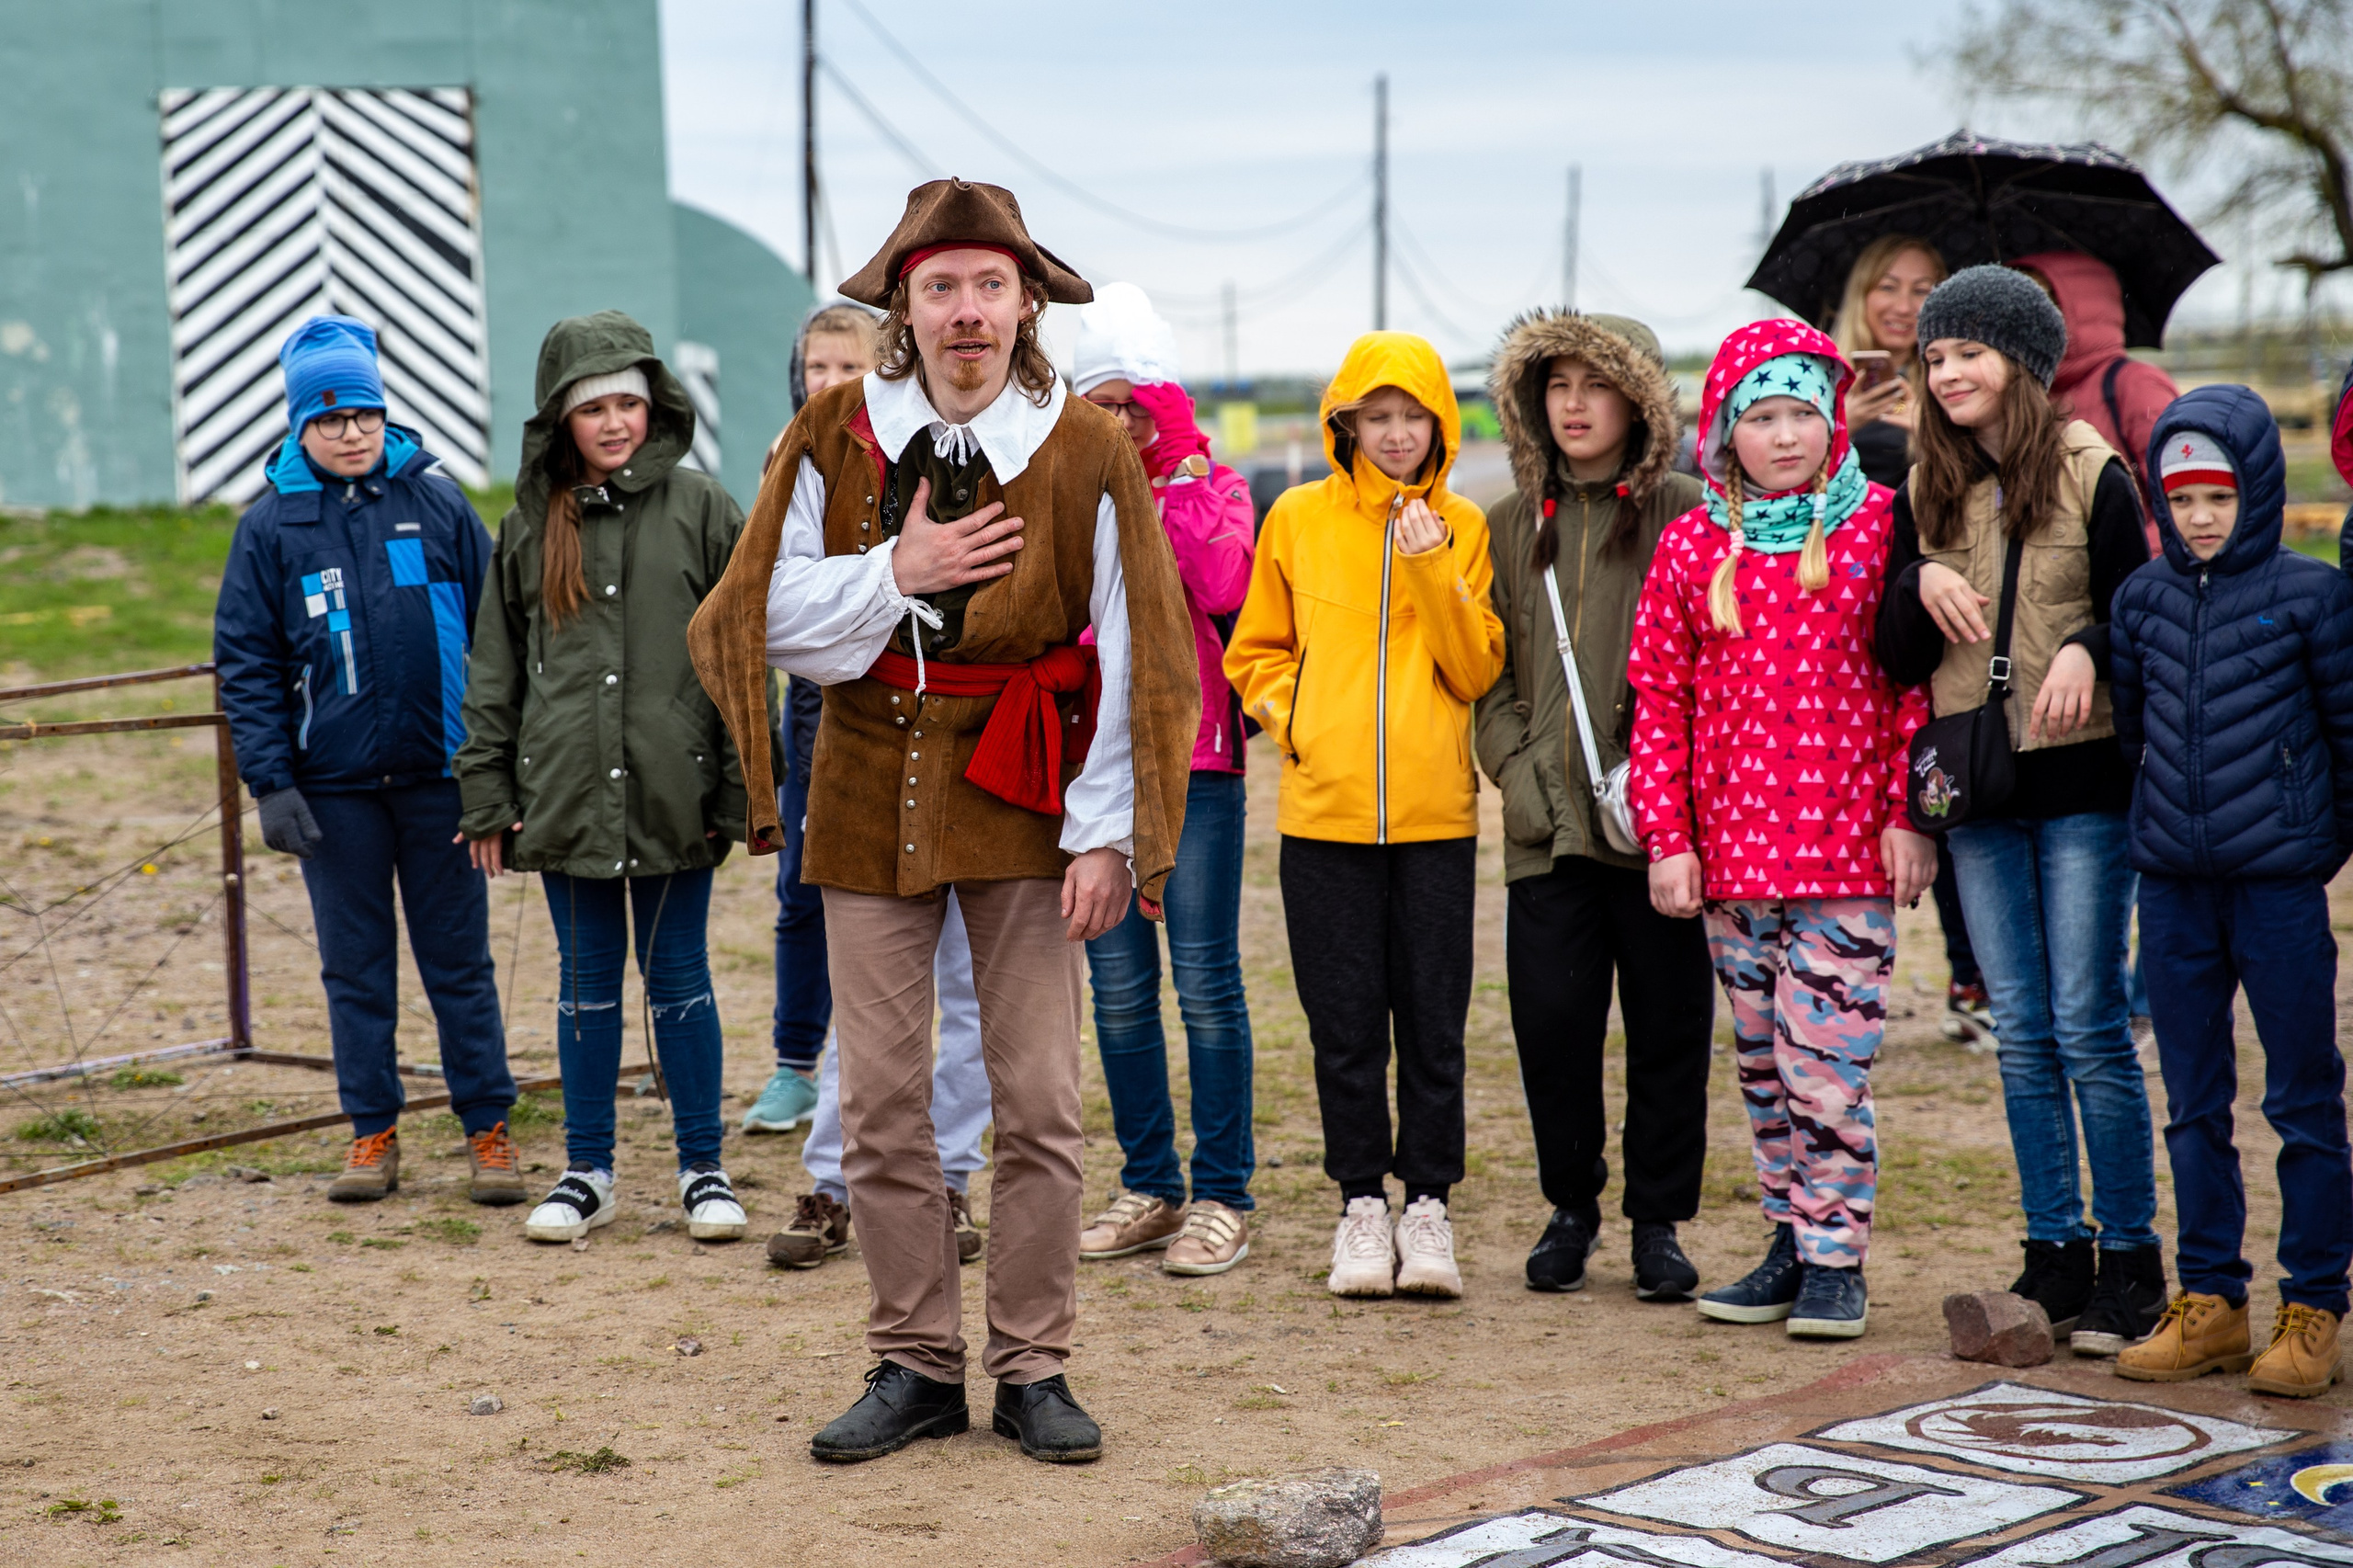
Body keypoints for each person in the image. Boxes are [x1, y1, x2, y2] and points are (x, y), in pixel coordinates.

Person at [688, 178, 1200, 1466]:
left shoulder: (1084, 446)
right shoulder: (832, 431)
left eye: (987, 285)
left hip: (1028, 792)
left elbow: (1143, 645)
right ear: (902, 308)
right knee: (882, 1105)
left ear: (1027, 300)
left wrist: (1106, 832)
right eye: (939, 288)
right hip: (864, 784)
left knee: (1036, 1097)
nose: (965, 312)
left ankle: (1033, 1364)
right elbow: (759, 620)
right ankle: (914, 1358)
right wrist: (895, 574)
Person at [1875, 265, 2164, 1357]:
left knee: (2090, 1025)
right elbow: (1892, 655)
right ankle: (2054, 1252)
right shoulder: (1924, 487)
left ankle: (2131, 1263)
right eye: (1934, 356)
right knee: (2019, 1032)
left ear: (2025, 364)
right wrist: (1914, 589)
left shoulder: (2097, 474)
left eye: (1967, 353)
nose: (1945, 371)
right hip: (1978, 792)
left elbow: (2137, 625)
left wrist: (2089, 646)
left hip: (2084, 786)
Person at [1629, 319, 1934, 1342]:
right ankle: (1788, 1242)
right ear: (1725, 433)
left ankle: (1837, 1259)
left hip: (1847, 856)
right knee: (1762, 1064)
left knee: (1823, 1067)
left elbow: (1913, 691)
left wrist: (1909, 815)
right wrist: (1666, 836)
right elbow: (1658, 699)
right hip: (1733, 861)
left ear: (1833, 417)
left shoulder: (1883, 527)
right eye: (1762, 416)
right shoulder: (1690, 543)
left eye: (1803, 410)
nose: (1786, 434)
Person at [455, 312, 753, 1246]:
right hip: (568, 795)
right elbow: (496, 669)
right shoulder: (526, 528)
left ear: (655, 405)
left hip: (678, 789)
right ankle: (588, 1170)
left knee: (681, 982)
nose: (615, 421)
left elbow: (745, 654)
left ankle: (704, 1165)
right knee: (584, 986)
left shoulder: (704, 508)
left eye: (630, 401)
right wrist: (488, 795)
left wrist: (745, 789)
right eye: (594, 407)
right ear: (560, 421)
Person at [213, 315, 519, 1207]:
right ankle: (371, 1129)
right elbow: (248, 661)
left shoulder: (436, 501)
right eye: (331, 417)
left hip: (442, 783)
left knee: (459, 963)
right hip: (333, 793)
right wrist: (271, 781)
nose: (351, 431)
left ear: (386, 416)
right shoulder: (272, 527)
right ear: (300, 425)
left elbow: (501, 628)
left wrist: (497, 765)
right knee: (355, 967)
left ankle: (487, 1127)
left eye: (365, 414)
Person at [1225, 331, 1505, 1302]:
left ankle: (1427, 1204)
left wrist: (1430, 566)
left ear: (1440, 423)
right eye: (1374, 416)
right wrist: (1293, 715)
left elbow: (1474, 670)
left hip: (1435, 819)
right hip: (1322, 814)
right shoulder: (1296, 516)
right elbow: (1254, 649)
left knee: (1433, 1021)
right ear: (1342, 422)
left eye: (1411, 416)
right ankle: (1361, 1205)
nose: (1393, 434)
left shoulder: (1465, 524)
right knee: (1343, 1023)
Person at [2110, 386, 2353, 1397]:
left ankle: (2314, 1304)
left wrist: (2303, 844)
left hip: (2281, 890)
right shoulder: (2140, 599)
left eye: (2217, 493)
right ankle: (2209, 1297)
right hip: (2170, 889)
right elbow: (2133, 729)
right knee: (2191, 1098)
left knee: (2302, 1096)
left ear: (2254, 485)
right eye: (2180, 496)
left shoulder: (2313, 595)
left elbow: (2346, 735)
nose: (2199, 514)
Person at [743, 302, 993, 1276]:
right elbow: (775, 612)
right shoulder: (799, 464)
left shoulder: (949, 452)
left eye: (846, 361)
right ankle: (836, 1178)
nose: (829, 379)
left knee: (968, 982)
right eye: (814, 364)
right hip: (845, 731)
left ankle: (955, 1177)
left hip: (972, 737)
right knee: (868, 982)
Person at [1475, 310, 1712, 1301]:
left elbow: (1717, 664)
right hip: (1547, 828)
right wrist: (1518, 770)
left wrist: (1684, 801)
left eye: (1595, 384)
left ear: (1638, 400)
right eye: (1557, 385)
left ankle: (1656, 1221)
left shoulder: (1690, 512)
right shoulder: (1502, 522)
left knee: (1668, 1029)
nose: (1573, 404)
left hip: (1662, 835)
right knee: (1553, 1024)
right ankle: (1569, 1207)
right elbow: (1487, 677)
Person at [1068, 283, 1259, 1278]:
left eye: (1132, 405)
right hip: (1096, 771)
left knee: (1206, 986)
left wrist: (1177, 463)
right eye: (1097, 406)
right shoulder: (1065, 491)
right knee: (1119, 992)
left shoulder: (1212, 484)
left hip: (1197, 765)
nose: (1117, 426)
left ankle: (1224, 1192)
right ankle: (1149, 1182)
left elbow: (1224, 582)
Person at [1831, 237, 1989, 1047]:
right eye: (1884, 284)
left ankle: (1973, 975)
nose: (1900, 301)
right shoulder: (1818, 386)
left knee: (1947, 782)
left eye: (1923, 287)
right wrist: (1840, 425)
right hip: (1838, 616)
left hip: (1936, 606)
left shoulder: (1959, 388)